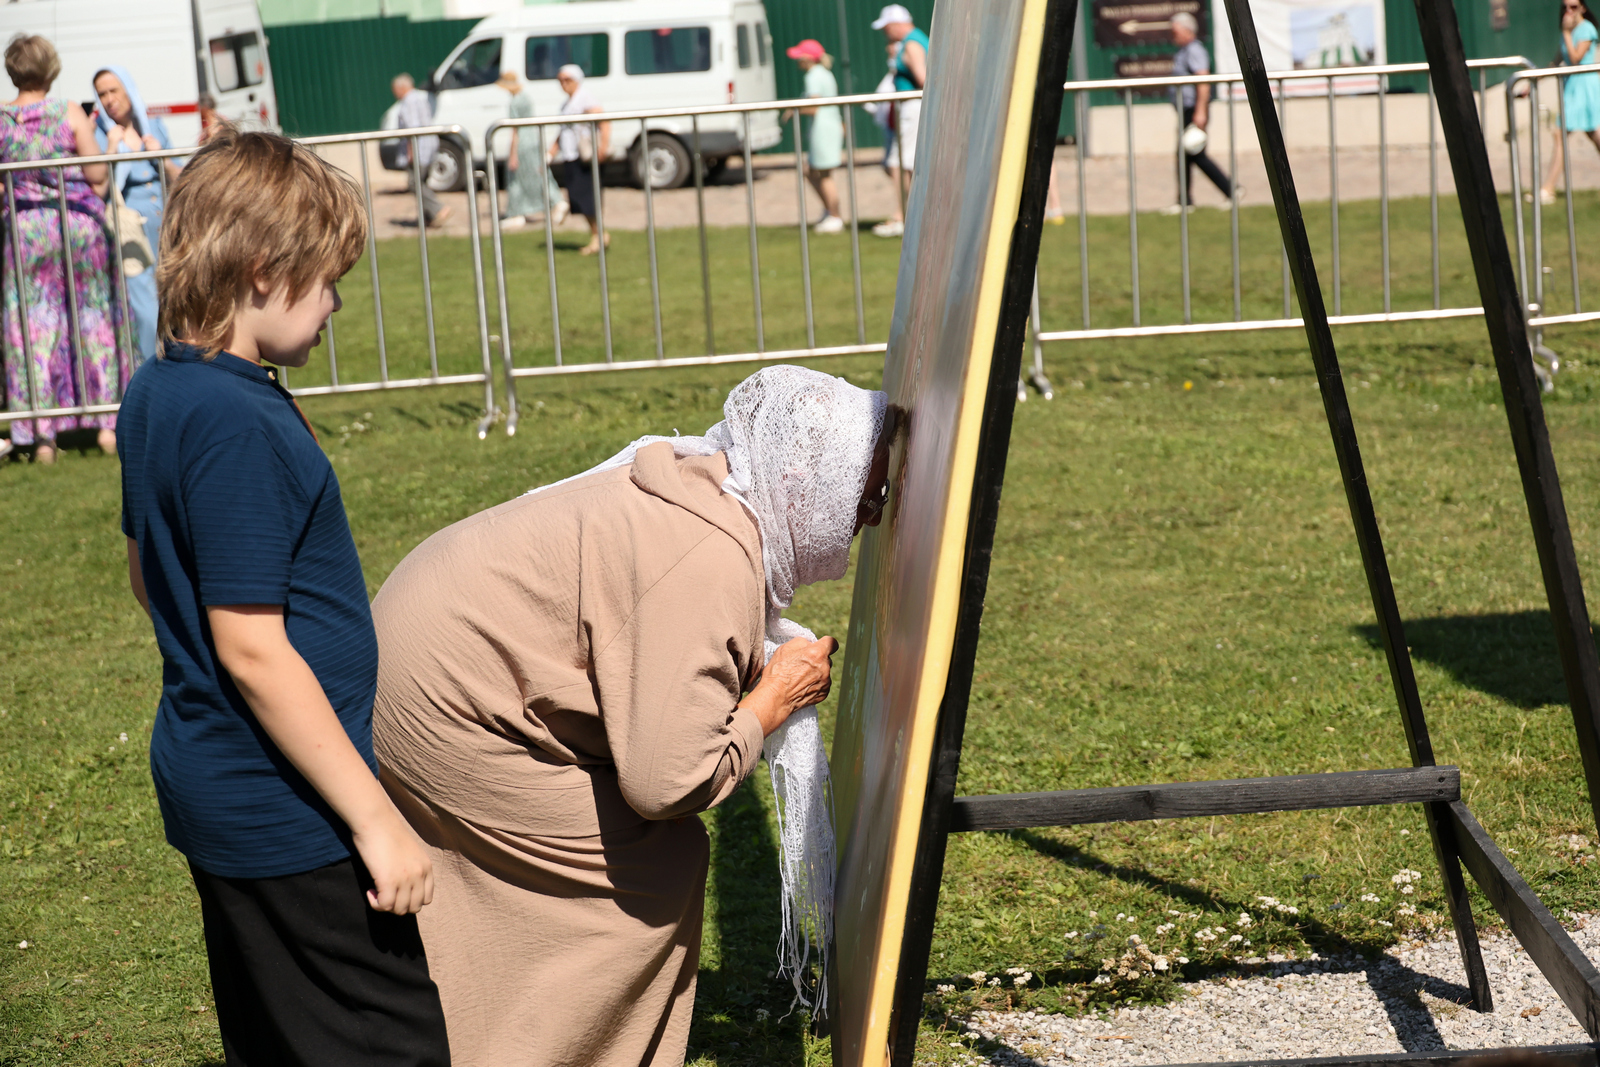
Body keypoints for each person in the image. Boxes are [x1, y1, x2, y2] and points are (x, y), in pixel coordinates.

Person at [370, 365, 893, 1066]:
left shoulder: (704, 481)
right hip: (447, 706)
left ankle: (470, 1031)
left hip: (424, 663)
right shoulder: (712, 555)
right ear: (807, 483)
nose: (875, 511)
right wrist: (768, 706)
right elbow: (667, 781)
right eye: (866, 490)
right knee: (649, 872)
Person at [116, 128, 450, 1065]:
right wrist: (376, 821)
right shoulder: (235, 423)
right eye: (328, 279)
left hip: (214, 780)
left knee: (284, 1035)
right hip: (288, 813)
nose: (338, 302)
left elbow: (148, 575)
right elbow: (253, 646)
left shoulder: (159, 389)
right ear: (263, 270)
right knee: (389, 1042)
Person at [1, 34, 122, 464]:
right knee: (93, 320)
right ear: (50, 69)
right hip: (77, 225)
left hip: (25, 230)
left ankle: (43, 437)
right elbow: (96, 175)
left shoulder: (1, 120)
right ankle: (107, 425)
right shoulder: (68, 112)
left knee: (31, 330)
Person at [93, 66, 181, 367]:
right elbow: (97, 188)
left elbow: (181, 179)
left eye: (113, 90)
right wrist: (111, 150)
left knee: (175, 306)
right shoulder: (100, 133)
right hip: (129, 232)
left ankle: (178, 372)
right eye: (101, 94)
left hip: (165, 229)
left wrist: (163, 158)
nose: (108, 100)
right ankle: (151, 374)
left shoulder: (153, 126)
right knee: (146, 311)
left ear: (128, 89)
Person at [1162, 12, 1234, 215]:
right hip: (1187, 110)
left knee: (1194, 154)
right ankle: (1186, 200)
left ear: (1187, 31)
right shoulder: (1183, 51)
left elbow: (1203, 81)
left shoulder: (1194, 50)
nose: (1172, 35)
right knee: (1189, 155)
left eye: (1175, 31)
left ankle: (1229, 190)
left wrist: (1201, 111)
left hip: (1194, 110)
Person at [872, 4, 927, 238]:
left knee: (900, 163)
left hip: (912, 108)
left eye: (886, 28)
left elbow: (923, 79)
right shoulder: (913, 40)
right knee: (900, 163)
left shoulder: (912, 43)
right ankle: (908, 214)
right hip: (909, 108)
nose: (885, 33)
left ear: (896, 25)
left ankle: (902, 216)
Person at [1540, 0, 1600, 205]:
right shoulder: (1568, 30)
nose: (1568, 11)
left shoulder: (1586, 29)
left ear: (1582, 8)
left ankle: (1548, 189)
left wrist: (1566, 33)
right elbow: (1556, 62)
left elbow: (1575, 58)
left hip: (1585, 88)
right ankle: (1547, 189)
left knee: (1560, 134)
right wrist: (1530, 82)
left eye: (1573, 7)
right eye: (1565, 7)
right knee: (1594, 136)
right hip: (1572, 89)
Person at [783, 39, 845, 234]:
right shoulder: (823, 73)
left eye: (800, 57)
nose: (797, 61)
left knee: (823, 174)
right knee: (812, 171)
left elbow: (814, 106)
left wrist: (793, 110)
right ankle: (830, 211)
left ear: (808, 58)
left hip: (824, 128)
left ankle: (835, 216)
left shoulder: (814, 76)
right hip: (828, 126)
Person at [549, 63, 610, 255]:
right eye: (560, 80)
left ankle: (598, 235)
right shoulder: (567, 103)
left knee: (587, 198)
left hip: (584, 155)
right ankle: (597, 234)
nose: (563, 84)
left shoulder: (585, 98)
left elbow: (603, 121)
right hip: (570, 154)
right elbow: (564, 130)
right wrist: (552, 151)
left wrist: (603, 146)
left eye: (567, 80)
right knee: (578, 198)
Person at [494, 70, 566, 230]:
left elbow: (515, 130)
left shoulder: (515, 101)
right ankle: (557, 201)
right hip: (533, 139)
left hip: (522, 142)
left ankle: (517, 213)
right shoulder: (525, 97)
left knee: (515, 179)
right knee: (539, 173)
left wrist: (513, 153)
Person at [391, 73, 452, 229]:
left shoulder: (408, 102)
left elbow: (411, 128)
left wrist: (410, 152)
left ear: (401, 88)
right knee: (422, 181)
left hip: (419, 147)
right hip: (429, 144)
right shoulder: (419, 97)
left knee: (414, 182)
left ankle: (438, 208)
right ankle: (428, 218)